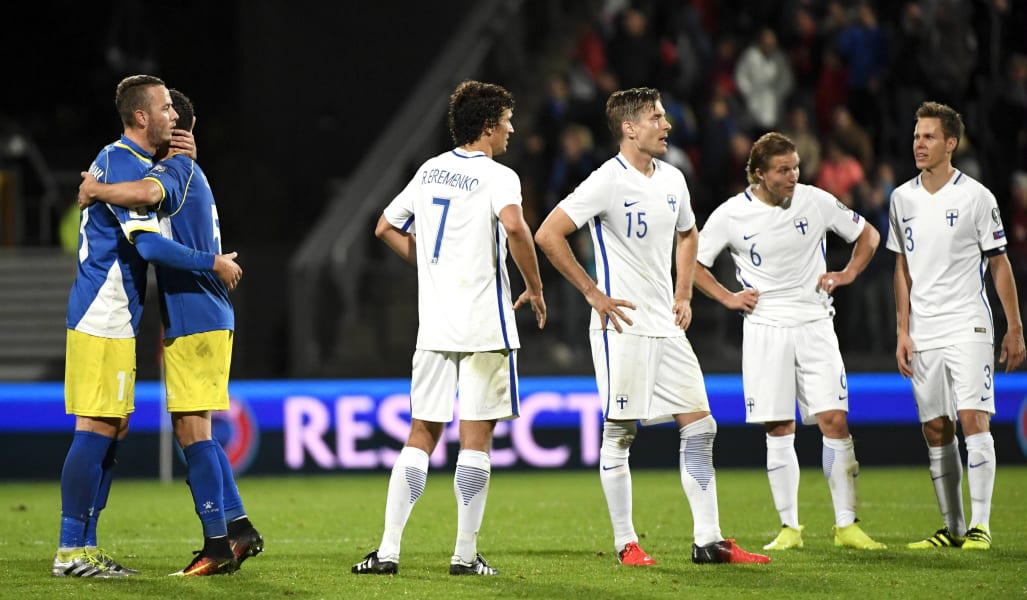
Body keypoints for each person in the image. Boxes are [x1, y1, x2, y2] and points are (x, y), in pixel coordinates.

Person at [534, 87, 770, 566]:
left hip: (666, 324)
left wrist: (684, 293)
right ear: (629, 127)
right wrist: (591, 293)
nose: (666, 125)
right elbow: (547, 233)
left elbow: (688, 234)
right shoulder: (606, 180)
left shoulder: (674, 179)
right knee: (620, 432)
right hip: (620, 325)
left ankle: (709, 541)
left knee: (701, 426)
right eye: (657, 117)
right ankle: (626, 542)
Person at [351, 80, 546, 576]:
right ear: (487, 127)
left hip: (435, 326)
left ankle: (388, 551)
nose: (511, 128)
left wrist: (430, 269)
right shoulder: (499, 176)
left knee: (421, 434)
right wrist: (536, 286)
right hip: (486, 325)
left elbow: (384, 226)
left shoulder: (430, 169)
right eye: (506, 120)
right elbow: (516, 226)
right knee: (476, 440)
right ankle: (463, 555)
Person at [54, 75, 242, 578]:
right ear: (142, 116)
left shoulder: (132, 167)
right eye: (165, 109)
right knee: (96, 427)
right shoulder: (121, 160)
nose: (173, 116)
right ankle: (71, 548)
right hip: (102, 310)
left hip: (117, 313)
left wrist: (99, 189)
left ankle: (86, 547)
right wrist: (215, 262)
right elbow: (151, 246)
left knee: (111, 429)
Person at [692, 132, 886, 552]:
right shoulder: (731, 214)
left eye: (796, 167)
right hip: (765, 328)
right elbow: (691, 261)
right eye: (784, 170)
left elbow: (868, 235)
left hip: (816, 323)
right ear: (759, 174)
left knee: (835, 421)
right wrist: (728, 297)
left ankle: (847, 525)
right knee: (779, 427)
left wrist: (847, 274)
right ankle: (790, 528)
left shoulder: (815, 200)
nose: (793, 176)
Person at [888, 101, 1025, 550]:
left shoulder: (976, 197)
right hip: (923, 328)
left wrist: (1015, 327)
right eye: (915, 136)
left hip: (968, 322)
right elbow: (902, 269)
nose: (918, 144)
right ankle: (954, 528)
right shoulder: (901, 198)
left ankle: (982, 526)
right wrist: (902, 330)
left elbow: (999, 264)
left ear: (951, 143)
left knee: (972, 418)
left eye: (928, 136)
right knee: (935, 428)